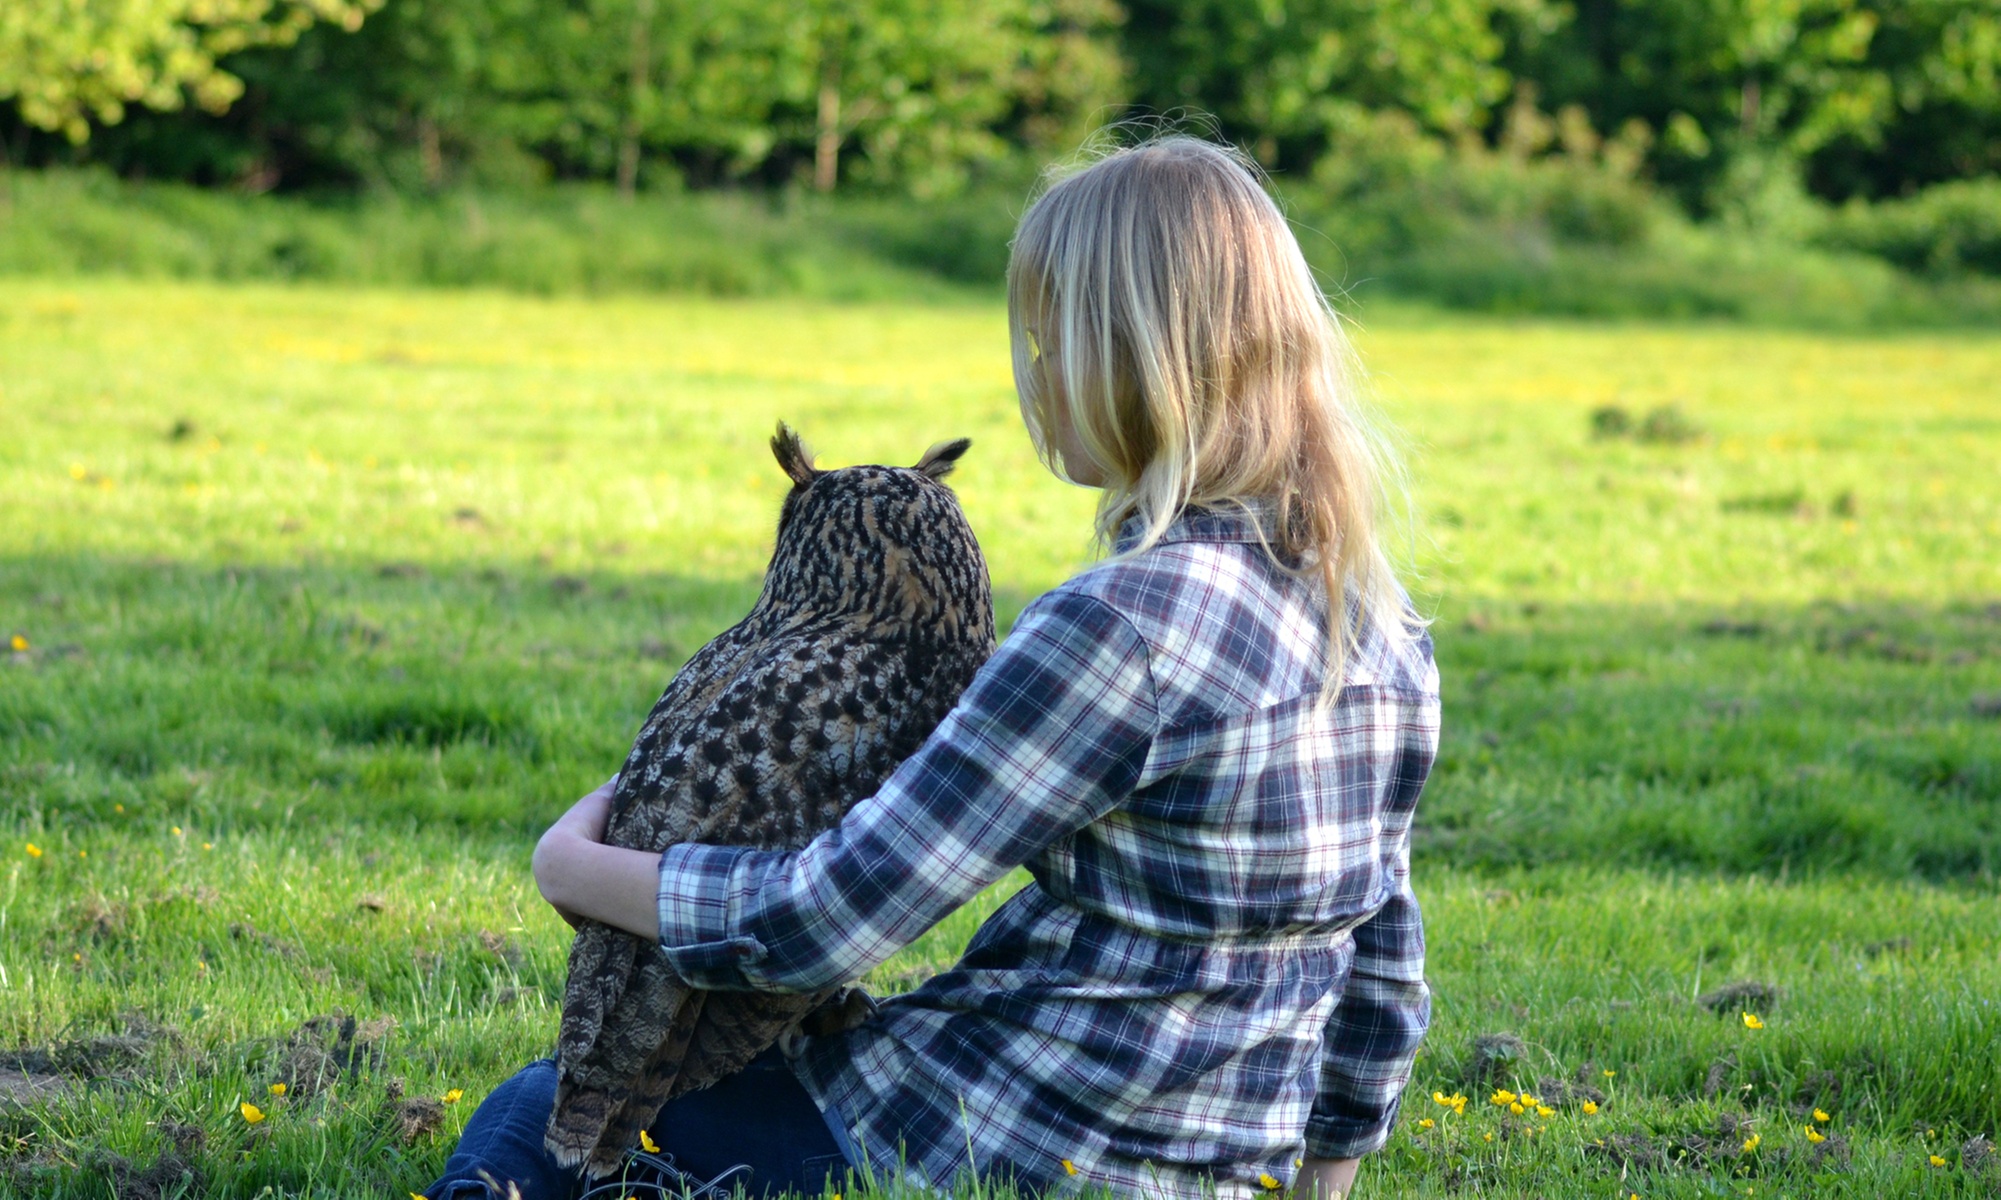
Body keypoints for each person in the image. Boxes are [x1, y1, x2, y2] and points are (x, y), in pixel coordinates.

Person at [425, 134, 1439, 1200]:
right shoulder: (1377, 621)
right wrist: (1324, 1182)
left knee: (537, 1111)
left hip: (978, 1146)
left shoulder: (1116, 631)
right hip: (1220, 1173)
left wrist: (572, 869)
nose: (1035, 382)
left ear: (1124, 360)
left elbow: (821, 921)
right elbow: (1382, 963)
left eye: (1048, 348)